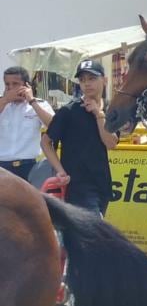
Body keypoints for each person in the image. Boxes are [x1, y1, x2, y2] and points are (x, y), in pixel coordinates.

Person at [41, 60, 119, 215]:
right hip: (77, 185)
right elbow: (45, 142)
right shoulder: (69, 110)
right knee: (92, 233)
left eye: (92, 78)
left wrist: (99, 114)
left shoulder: (111, 108)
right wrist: (60, 171)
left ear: (105, 80)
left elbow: (111, 143)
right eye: (82, 80)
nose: (87, 84)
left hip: (102, 182)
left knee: (84, 235)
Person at [1, 66, 54, 181]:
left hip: (29, 166)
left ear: (26, 85)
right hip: (2, 167)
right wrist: (5, 100)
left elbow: (54, 127)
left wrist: (32, 101)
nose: (10, 88)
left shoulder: (40, 104)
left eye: (15, 84)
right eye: (7, 84)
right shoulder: (2, 104)